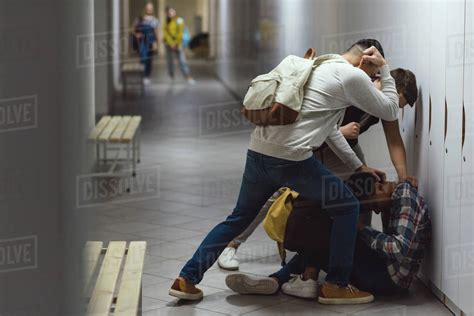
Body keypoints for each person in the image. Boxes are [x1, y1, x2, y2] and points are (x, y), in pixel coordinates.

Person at [168, 39, 400, 304]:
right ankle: (336, 284)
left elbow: (330, 131)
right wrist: (386, 69)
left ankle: (186, 279)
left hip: (259, 152)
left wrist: (358, 167)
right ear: (365, 61)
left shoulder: (318, 64)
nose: (371, 80)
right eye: (373, 75)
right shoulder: (352, 75)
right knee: (347, 206)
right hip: (292, 160)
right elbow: (390, 109)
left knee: (238, 218)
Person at [218, 61, 418, 271]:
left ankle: (351, 253)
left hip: (346, 150)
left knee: (364, 190)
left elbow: (394, 140)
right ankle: (232, 244)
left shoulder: (386, 105)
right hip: (315, 140)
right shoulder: (356, 86)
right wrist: (340, 132)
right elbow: (318, 122)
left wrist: (403, 179)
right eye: (394, 101)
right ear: (380, 82)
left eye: (398, 106)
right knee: (277, 192)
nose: (392, 107)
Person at [225, 174, 431, 302]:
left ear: (379, 186)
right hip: (384, 268)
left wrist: (362, 229)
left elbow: (398, 248)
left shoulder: (403, 196)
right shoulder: (393, 197)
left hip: (390, 280)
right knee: (331, 235)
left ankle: (283, 279)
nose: (376, 211)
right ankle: (284, 279)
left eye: (373, 205)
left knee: (331, 236)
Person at [163, 7, 195, 84]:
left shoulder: (180, 20)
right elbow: (165, 33)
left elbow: (181, 32)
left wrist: (176, 43)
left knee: (182, 60)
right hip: (168, 44)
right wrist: (171, 43)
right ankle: (171, 76)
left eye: (172, 12)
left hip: (178, 44)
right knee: (169, 61)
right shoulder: (166, 21)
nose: (171, 13)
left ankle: (188, 77)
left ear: (175, 12)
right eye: (169, 12)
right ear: (167, 13)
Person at [132, 2, 160, 85]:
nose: (149, 9)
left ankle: (147, 76)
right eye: (148, 8)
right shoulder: (139, 19)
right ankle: (142, 76)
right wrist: (136, 34)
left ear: (153, 10)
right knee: (143, 58)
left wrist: (157, 44)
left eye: (151, 8)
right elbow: (132, 29)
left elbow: (157, 32)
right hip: (142, 42)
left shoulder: (155, 20)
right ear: (145, 9)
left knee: (149, 60)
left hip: (151, 42)